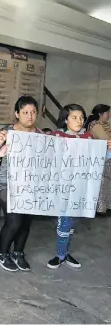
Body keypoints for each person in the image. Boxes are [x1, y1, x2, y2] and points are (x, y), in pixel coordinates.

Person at [47, 104, 111, 269]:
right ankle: (61, 254)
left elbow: (98, 158)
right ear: (65, 119)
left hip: (80, 186)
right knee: (65, 220)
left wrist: (108, 151)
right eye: (74, 117)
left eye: (81, 117)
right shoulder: (57, 136)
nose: (79, 120)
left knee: (70, 221)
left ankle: (65, 252)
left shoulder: (88, 137)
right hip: (63, 186)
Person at [0, 96, 42, 272]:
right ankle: (2, 253)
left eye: (33, 112)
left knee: (26, 221)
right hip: (7, 183)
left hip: (31, 184)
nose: (30, 116)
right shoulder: (6, 133)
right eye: (25, 112)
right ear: (17, 114)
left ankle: (18, 253)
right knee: (14, 221)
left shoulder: (41, 136)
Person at [85, 104, 111, 214]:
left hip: (108, 157)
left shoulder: (107, 125)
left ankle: (107, 207)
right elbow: (105, 139)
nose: (109, 115)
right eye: (107, 113)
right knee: (102, 183)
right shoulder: (95, 125)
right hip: (101, 158)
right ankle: (100, 209)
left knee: (108, 184)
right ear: (100, 114)